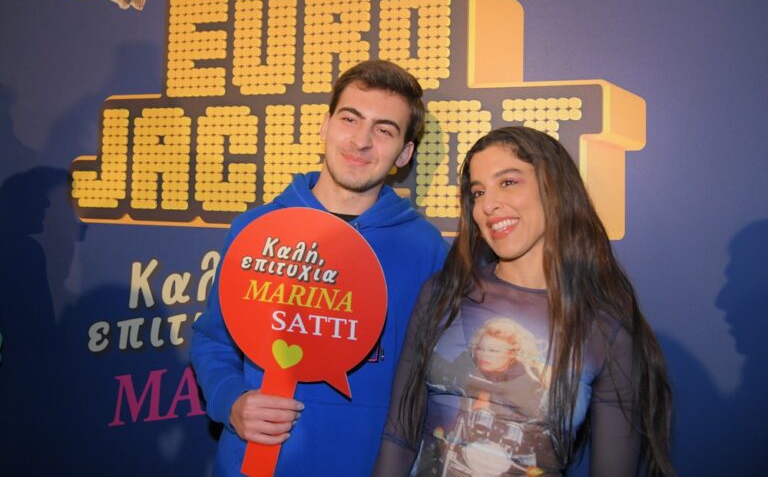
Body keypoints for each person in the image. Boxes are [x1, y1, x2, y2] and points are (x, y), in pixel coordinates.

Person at [190, 60, 447, 476]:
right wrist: (231, 400)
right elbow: (212, 340)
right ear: (325, 126)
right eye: (350, 119)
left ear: (404, 153)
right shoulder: (256, 228)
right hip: (256, 464)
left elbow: (430, 381)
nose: (361, 141)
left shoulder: (427, 249)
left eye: (384, 130)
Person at [373, 126, 674, 476]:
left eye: (508, 182)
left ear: (553, 188)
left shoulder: (604, 330)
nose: (488, 205)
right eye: (478, 192)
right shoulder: (442, 295)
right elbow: (399, 435)